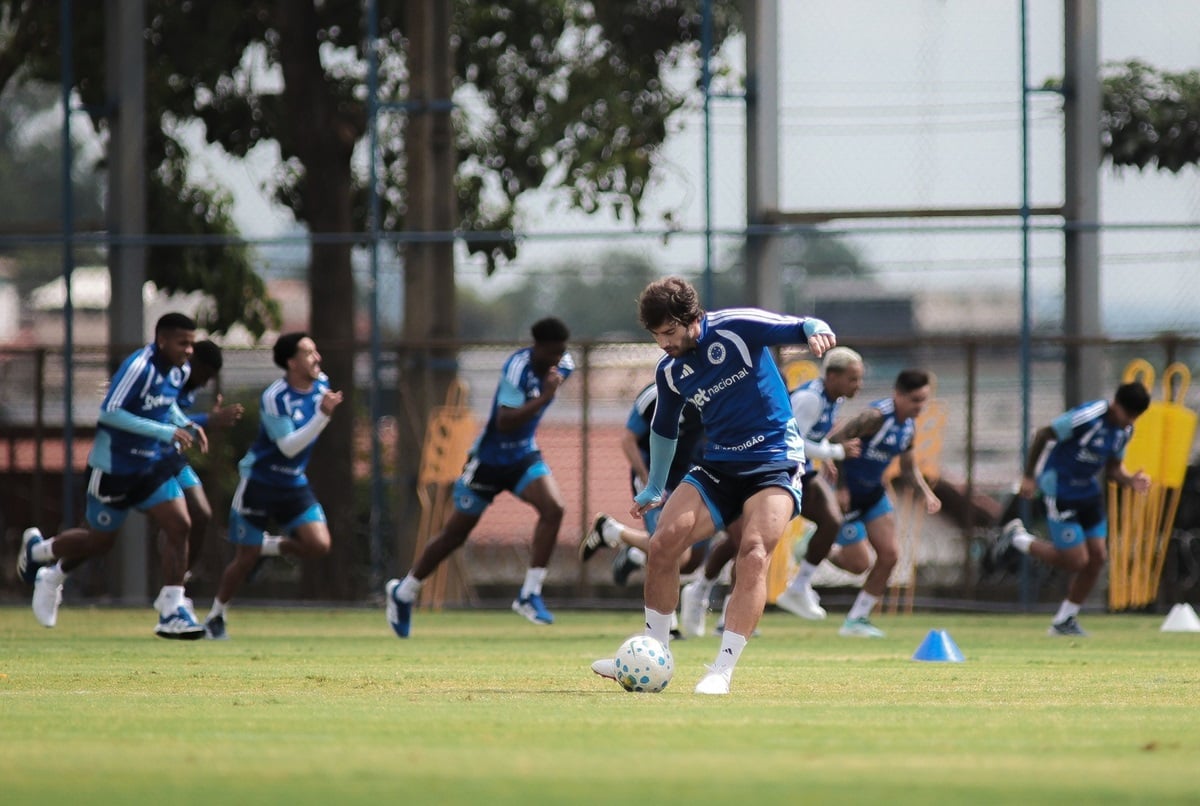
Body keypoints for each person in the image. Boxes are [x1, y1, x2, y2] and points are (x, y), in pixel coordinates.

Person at [591, 276, 835, 695]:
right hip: (719, 463)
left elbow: (792, 326)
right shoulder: (669, 371)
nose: (663, 343)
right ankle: (652, 655)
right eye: (655, 336)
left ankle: (721, 671)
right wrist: (654, 487)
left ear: (692, 318)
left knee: (754, 553)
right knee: (666, 541)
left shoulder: (734, 327)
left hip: (774, 460)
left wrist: (813, 328)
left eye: (669, 332)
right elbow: (663, 430)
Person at [16, 312, 209, 638]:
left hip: (149, 467)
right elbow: (110, 413)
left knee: (181, 523)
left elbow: (166, 406)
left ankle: (171, 609)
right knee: (98, 541)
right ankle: (39, 553)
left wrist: (185, 423)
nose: (189, 350)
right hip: (113, 469)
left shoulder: (179, 370)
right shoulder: (139, 368)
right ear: (162, 340)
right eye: (183, 343)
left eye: (192, 343)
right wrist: (166, 431)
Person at [385, 317, 574, 637]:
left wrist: (552, 385)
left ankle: (530, 593)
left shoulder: (563, 363)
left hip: (523, 456)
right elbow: (504, 421)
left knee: (554, 508)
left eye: (561, 353)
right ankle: (404, 591)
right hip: (489, 461)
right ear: (537, 347)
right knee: (453, 535)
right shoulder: (517, 369)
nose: (557, 359)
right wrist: (544, 397)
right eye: (552, 353)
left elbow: (560, 371)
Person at [203, 332, 344, 640]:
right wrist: (323, 416)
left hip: (293, 483)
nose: (317, 357)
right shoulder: (275, 397)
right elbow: (289, 447)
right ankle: (216, 616)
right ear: (291, 363)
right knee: (244, 560)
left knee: (319, 545)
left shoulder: (322, 384)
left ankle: (268, 547)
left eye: (316, 350)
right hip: (261, 483)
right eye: (309, 353)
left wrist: (322, 414)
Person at [985, 382, 1151, 636]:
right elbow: (1043, 434)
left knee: (1097, 558)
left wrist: (1130, 480)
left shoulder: (1124, 430)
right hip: (1060, 490)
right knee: (1076, 561)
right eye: (1127, 415)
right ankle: (1017, 538)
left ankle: (1065, 620)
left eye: (1135, 418)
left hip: (1088, 493)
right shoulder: (1088, 417)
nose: (1129, 421)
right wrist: (1029, 476)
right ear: (1116, 404)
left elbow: (1113, 469)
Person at [823, 369, 941, 638]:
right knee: (858, 564)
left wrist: (926, 494)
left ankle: (857, 619)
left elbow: (909, 468)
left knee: (890, 555)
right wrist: (840, 487)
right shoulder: (874, 417)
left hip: (873, 494)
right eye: (914, 400)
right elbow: (834, 441)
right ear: (897, 395)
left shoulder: (909, 426)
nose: (920, 406)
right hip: (847, 497)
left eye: (924, 400)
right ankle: (816, 548)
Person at [764, 346, 865, 621]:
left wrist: (825, 455)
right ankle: (705, 590)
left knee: (832, 521)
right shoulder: (810, 399)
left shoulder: (834, 399)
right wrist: (835, 452)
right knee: (752, 539)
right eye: (852, 378)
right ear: (832, 376)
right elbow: (792, 441)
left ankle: (798, 587)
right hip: (778, 472)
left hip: (802, 471)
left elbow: (810, 439)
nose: (858, 385)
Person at [579, 381, 709, 590]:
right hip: (654, 475)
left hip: (687, 475)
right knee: (670, 551)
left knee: (693, 560)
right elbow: (628, 439)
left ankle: (618, 536)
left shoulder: (713, 389)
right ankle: (665, 622)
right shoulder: (655, 395)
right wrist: (649, 479)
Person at [158, 339, 244, 583]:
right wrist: (209, 420)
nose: (206, 382)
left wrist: (207, 420)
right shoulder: (167, 378)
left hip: (172, 457)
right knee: (99, 534)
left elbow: (181, 420)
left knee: (201, 513)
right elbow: (162, 417)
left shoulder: (190, 387)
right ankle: (49, 558)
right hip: (146, 456)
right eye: (205, 374)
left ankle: (177, 584)